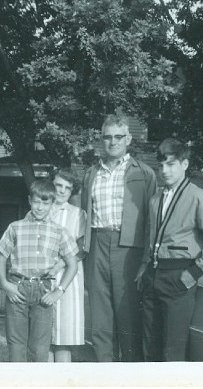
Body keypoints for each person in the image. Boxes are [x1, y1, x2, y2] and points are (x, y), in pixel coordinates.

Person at [136, 138, 203, 361]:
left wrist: (190, 276)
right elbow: (152, 238)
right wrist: (143, 270)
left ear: (184, 164)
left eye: (171, 164)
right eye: (161, 165)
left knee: (173, 350)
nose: (165, 171)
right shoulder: (155, 199)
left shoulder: (200, 197)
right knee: (150, 346)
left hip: (179, 277)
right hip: (153, 277)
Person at [81, 114, 157, 362]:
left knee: (127, 313)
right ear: (101, 140)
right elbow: (84, 215)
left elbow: (152, 221)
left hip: (129, 249)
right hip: (97, 244)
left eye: (118, 137)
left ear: (128, 139)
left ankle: (131, 373)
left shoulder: (144, 174)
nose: (112, 142)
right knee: (101, 314)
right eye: (107, 137)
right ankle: (104, 370)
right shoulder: (91, 174)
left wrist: (146, 260)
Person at [0, 179, 79, 362]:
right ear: (29, 200)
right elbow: (0, 258)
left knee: (40, 348)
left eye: (45, 203)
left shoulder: (59, 231)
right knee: (16, 344)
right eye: (36, 202)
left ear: (52, 203)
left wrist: (59, 291)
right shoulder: (15, 227)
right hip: (18, 289)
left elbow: (73, 264)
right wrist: (5, 284)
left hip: (44, 291)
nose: (40, 207)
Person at [45, 169, 87, 362]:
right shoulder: (39, 209)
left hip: (67, 277)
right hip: (42, 275)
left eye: (67, 188)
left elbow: (82, 247)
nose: (62, 191)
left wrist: (62, 263)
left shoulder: (77, 214)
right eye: (58, 185)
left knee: (62, 337)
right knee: (44, 335)